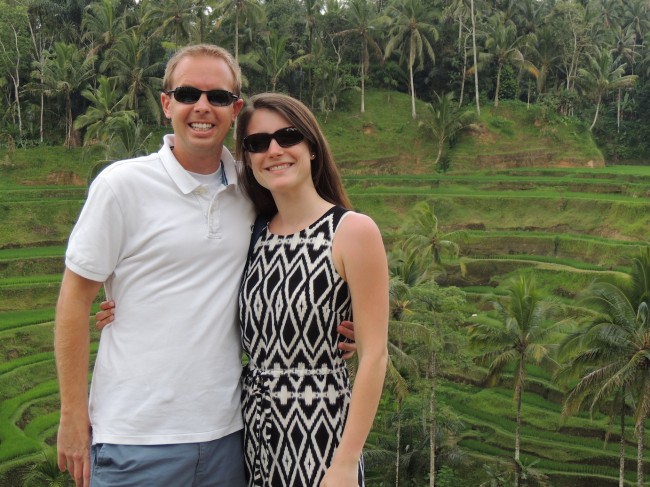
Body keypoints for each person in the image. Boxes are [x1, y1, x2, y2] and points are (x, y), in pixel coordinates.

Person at [56, 44, 358, 487]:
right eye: (187, 94)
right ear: (166, 104)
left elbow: (310, 243)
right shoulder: (122, 185)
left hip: (231, 437)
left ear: (235, 109)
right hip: (136, 438)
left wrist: (336, 321)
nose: (202, 107)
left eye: (218, 97)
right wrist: (72, 415)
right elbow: (74, 299)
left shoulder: (253, 187)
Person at [235, 93, 389, 486]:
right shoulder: (254, 234)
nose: (274, 150)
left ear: (312, 148)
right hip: (255, 435)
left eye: (288, 136)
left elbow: (374, 356)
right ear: (248, 159)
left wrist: (345, 464)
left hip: (322, 434)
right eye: (257, 143)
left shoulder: (352, 231)